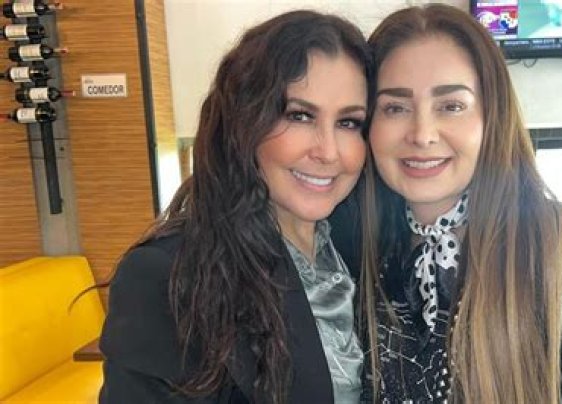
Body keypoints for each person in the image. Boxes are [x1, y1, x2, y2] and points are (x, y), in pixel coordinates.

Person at [330, 4, 562, 403]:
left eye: (451, 106)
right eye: (395, 107)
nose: (422, 134)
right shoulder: (357, 246)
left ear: (492, 117)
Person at [99, 10, 370, 403]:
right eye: (299, 116)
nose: (328, 151)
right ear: (244, 122)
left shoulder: (359, 248)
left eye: (348, 123)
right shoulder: (170, 274)